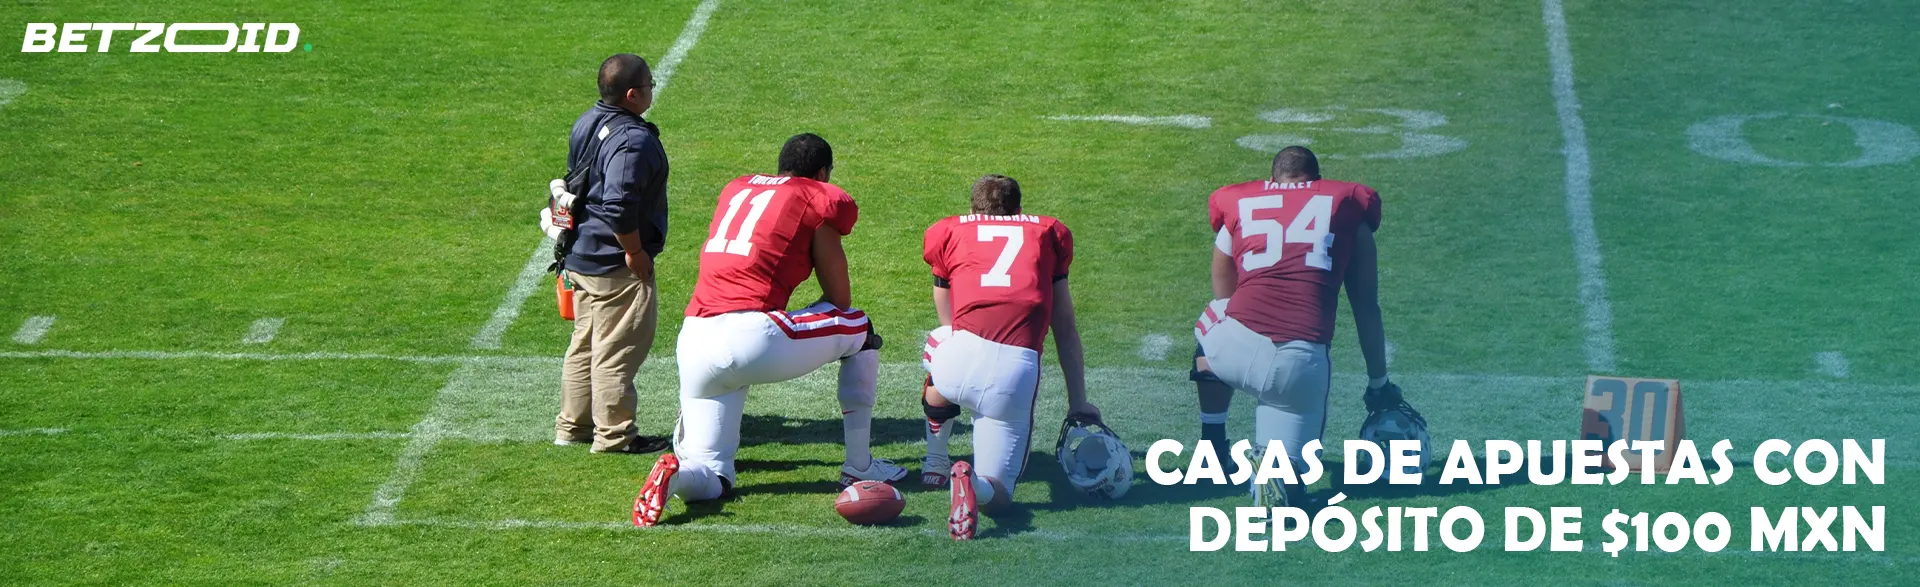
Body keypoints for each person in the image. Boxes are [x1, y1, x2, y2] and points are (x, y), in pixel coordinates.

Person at [632, 133, 907, 527]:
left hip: (694, 339)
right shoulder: (817, 196)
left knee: (714, 474)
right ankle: (859, 466)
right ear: (823, 173)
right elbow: (840, 299)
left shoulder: (737, 188)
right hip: (751, 336)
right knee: (860, 328)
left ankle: (676, 477)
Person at [1190, 146, 1418, 506]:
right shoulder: (1347, 205)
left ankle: (1213, 446)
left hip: (1235, 349)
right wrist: (1379, 384)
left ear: (1272, 178)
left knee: (1215, 317)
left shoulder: (1238, 202)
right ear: (1317, 180)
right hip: (1300, 365)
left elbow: (1225, 294)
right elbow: (1366, 307)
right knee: (1290, 488)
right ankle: (1275, 474)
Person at [919, 174, 1101, 540]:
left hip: (957, 361)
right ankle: (973, 483)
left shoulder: (948, 231)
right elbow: (1065, 331)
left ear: (974, 210)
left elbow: (948, 318)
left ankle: (935, 459)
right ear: (1019, 210)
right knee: (998, 498)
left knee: (941, 339)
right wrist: (1078, 402)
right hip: (1014, 375)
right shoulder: (1049, 234)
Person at [552, 53, 672, 455]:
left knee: (585, 344)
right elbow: (619, 205)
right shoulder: (632, 140)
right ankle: (615, 435)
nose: (653, 89)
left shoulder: (587, 120)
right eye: (650, 84)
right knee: (616, 350)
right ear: (632, 94)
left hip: (582, 254)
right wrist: (634, 252)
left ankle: (572, 427)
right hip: (613, 262)